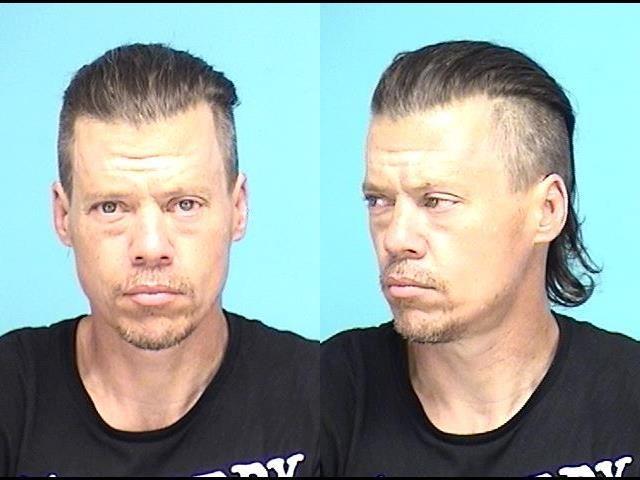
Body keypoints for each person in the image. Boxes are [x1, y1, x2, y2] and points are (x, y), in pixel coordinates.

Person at [321, 40, 640, 477]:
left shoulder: (628, 401)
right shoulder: (320, 397)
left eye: (437, 201)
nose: (396, 238)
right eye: (379, 200)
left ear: (546, 211)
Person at [0, 43, 318, 477]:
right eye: (111, 207)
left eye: (185, 204)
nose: (150, 247)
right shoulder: (10, 397)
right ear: (62, 216)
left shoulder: (320, 397)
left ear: (238, 208)